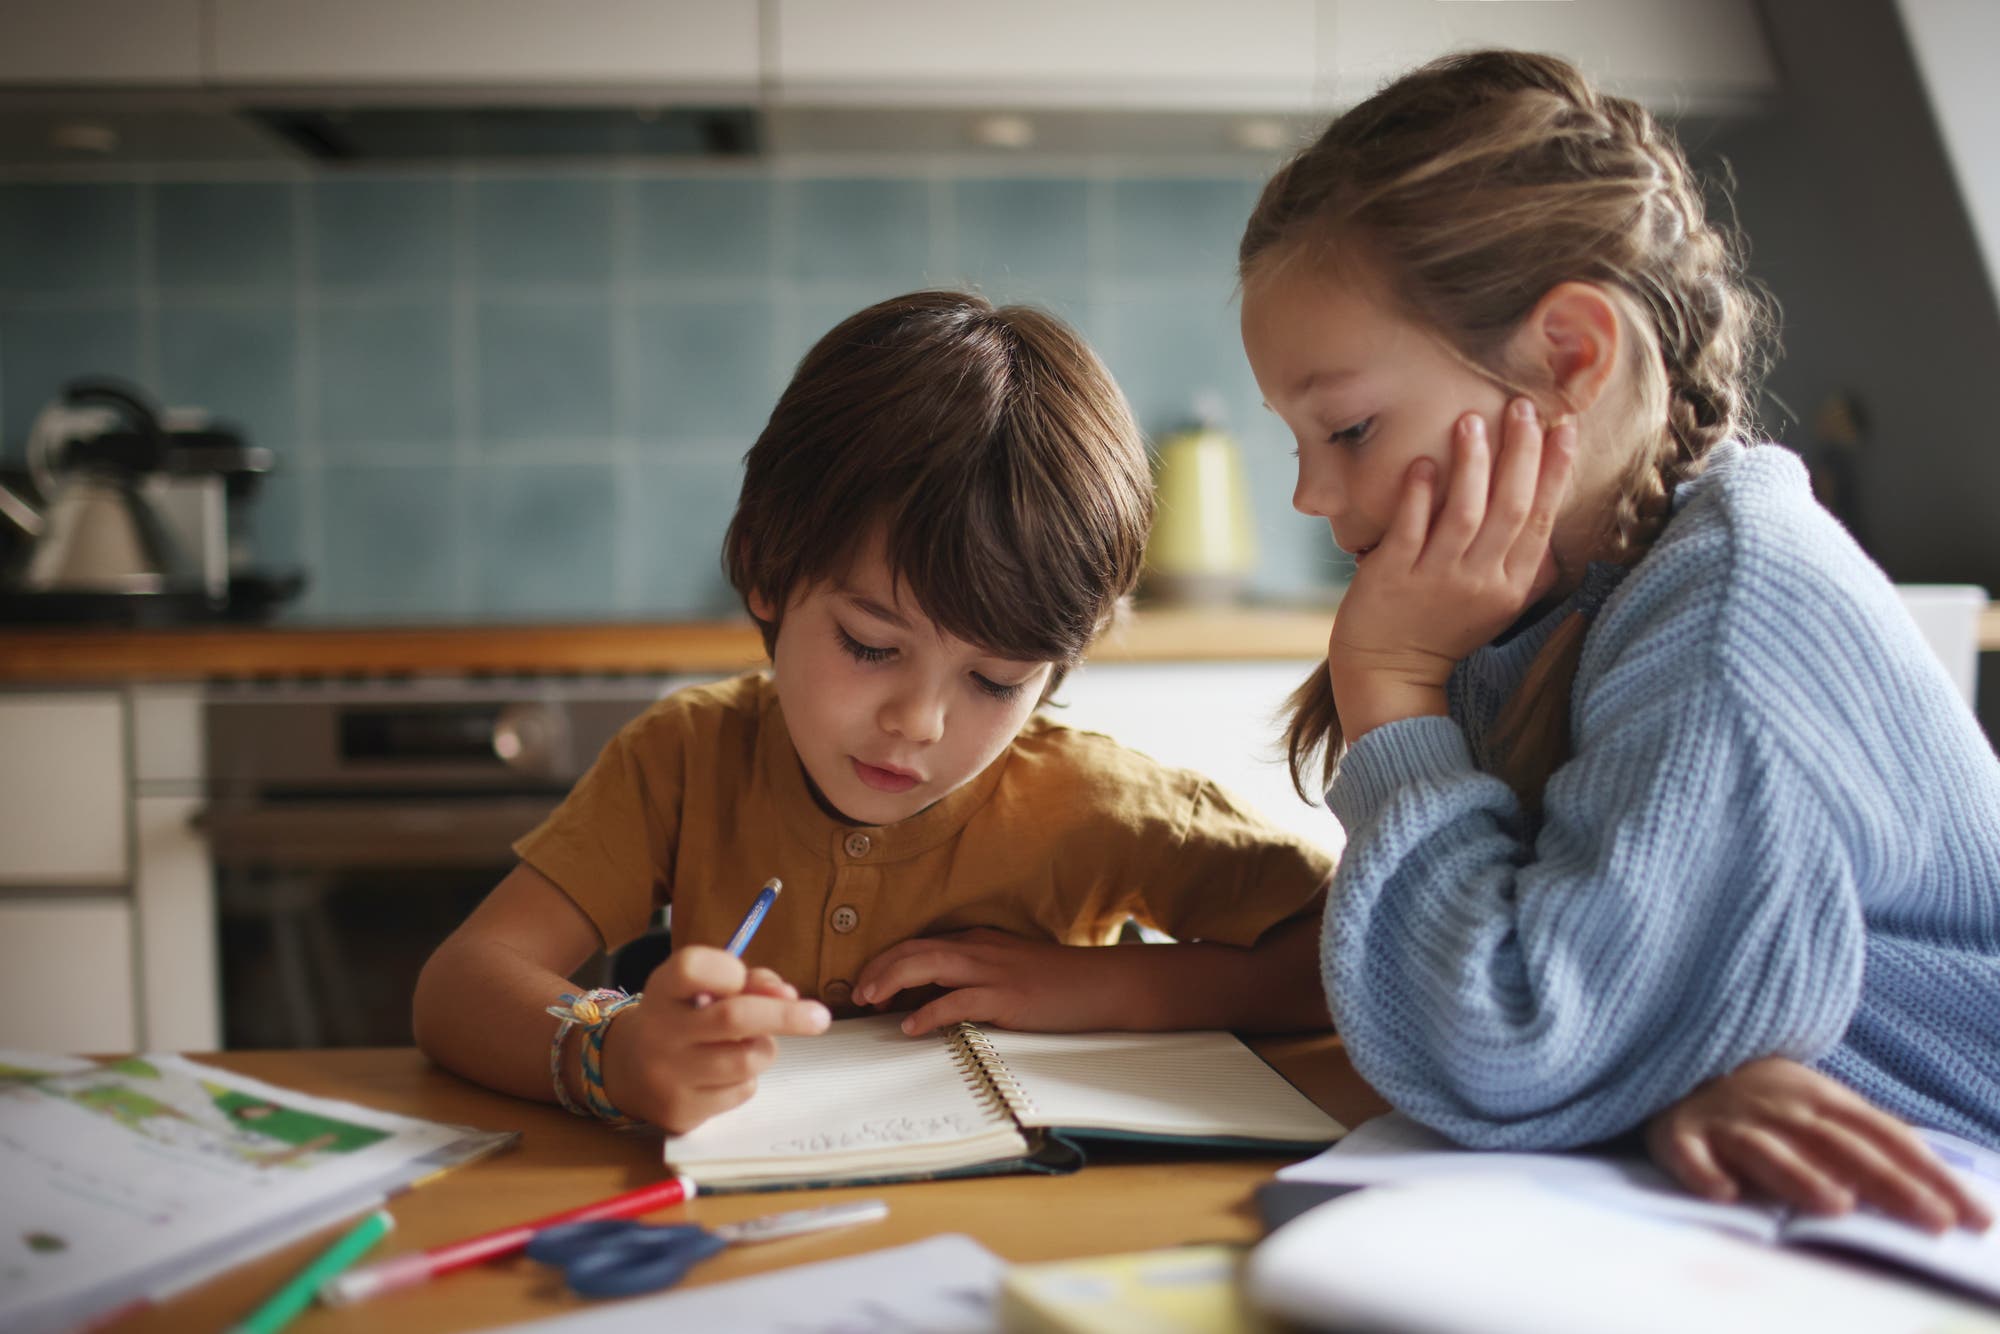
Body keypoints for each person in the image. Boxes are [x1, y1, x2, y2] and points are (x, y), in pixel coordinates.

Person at [1237, 50, 1998, 1231]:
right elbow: (1497, 956)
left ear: (1569, 358)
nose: (1307, 493)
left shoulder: (1727, 623)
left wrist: (1390, 689)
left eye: (1345, 426)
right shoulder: (1580, 590)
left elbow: (1509, 1035)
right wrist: (1670, 1066)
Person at [414, 290, 1334, 1136]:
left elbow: (1346, 964)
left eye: (996, 680)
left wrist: (1105, 984)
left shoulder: (1095, 803)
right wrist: (611, 1052)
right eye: (869, 645)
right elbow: (461, 983)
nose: (920, 722)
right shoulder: (687, 760)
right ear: (769, 574)